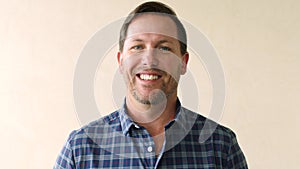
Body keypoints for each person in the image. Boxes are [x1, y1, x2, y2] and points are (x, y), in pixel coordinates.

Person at [54, 1, 248, 168]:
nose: (149, 59)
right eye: (137, 47)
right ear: (121, 61)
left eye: (164, 48)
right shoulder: (79, 149)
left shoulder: (222, 146)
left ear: (183, 62)